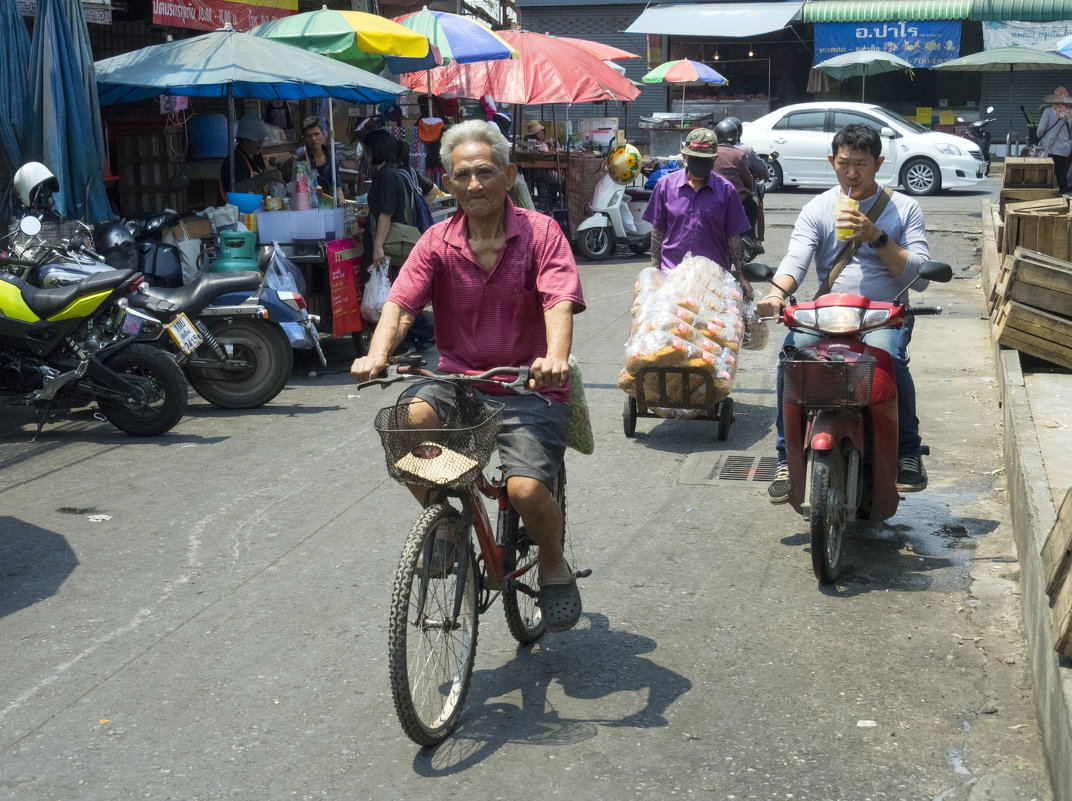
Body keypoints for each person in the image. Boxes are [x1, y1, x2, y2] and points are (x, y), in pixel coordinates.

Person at [350, 120, 586, 633]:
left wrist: (556, 357)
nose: (474, 184)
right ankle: (449, 527)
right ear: (449, 183)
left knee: (524, 492)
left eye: (486, 172)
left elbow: (559, 300)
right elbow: (401, 303)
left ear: (509, 175)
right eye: (463, 175)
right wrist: (376, 352)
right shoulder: (437, 241)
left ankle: (551, 563)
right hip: (460, 379)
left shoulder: (541, 232)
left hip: (529, 384)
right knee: (405, 423)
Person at [755, 123, 931, 503]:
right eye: (844, 163)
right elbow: (796, 257)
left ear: (879, 163)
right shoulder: (818, 207)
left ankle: (907, 453)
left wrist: (877, 237)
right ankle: (786, 457)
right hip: (829, 313)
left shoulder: (904, 208)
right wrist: (775, 294)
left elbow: (919, 279)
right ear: (832, 161)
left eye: (862, 165)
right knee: (793, 356)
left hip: (884, 314)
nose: (851, 173)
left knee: (889, 357)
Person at [642, 128, 752, 285]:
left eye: (705, 161)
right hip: (672, 277)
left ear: (714, 158)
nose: (699, 166)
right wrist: (655, 269)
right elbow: (657, 231)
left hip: (715, 279)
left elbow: (734, 237)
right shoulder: (665, 186)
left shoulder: (726, 190)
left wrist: (742, 275)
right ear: (685, 156)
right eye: (695, 160)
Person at [713, 119, 759, 238]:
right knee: (754, 206)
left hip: (712, 193)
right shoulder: (738, 154)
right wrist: (750, 191)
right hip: (736, 196)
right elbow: (747, 177)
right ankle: (748, 238)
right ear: (735, 136)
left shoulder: (710, 151)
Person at [219, 114, 282, 200]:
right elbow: (236, 190)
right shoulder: (234, 160)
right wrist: (266, 176)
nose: (260, 143)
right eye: (256, 139)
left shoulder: (256, 156)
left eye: (262, 139)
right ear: (244, 139)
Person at [294, 116, 344, 205]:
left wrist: (343, 206)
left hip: (327, 204)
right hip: (305, 204)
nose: (313, 139)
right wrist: (310, 188)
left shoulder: (331, 157)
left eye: (317, 134)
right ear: (304, 138)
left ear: (323, 134)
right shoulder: (301, 155)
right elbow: (295, 183)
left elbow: (337, 188)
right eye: (309, 136)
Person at [1036, 87, 1072, 194]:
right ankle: (1063, 193)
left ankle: (1046, 193)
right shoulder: (1070, 113)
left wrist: (1041, 135)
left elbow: (1040, 131)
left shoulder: (1048, 111)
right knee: (1061, 172)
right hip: (1064, 149)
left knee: (1046, 172)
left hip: (1049, 148)